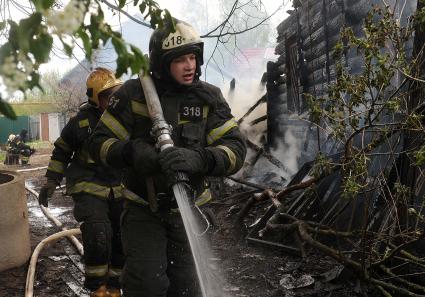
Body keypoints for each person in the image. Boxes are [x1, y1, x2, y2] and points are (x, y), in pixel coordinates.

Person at [89, 19, 247, 297]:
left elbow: (235, 149)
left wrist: (202, 158)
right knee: (146, 285)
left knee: (188, 287)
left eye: (192, 58)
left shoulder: (207, 98)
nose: (190, 66)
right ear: (162, 63)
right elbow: (99, 144)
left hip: (192, 209)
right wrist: (131, 152)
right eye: (180, 60)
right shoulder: (133, 95)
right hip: (143, 212)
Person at [38, 67, 125, 297]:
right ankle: (98, 288)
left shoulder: (126, 118)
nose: (112, 100)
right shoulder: (81, 122)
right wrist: (51, 181)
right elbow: (61, 151)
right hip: (88, 186)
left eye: (115, 95)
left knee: (121, 237)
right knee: (98, 235)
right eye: (107, 96)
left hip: (120, 189)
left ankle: (115, 286)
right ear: (96, 98)